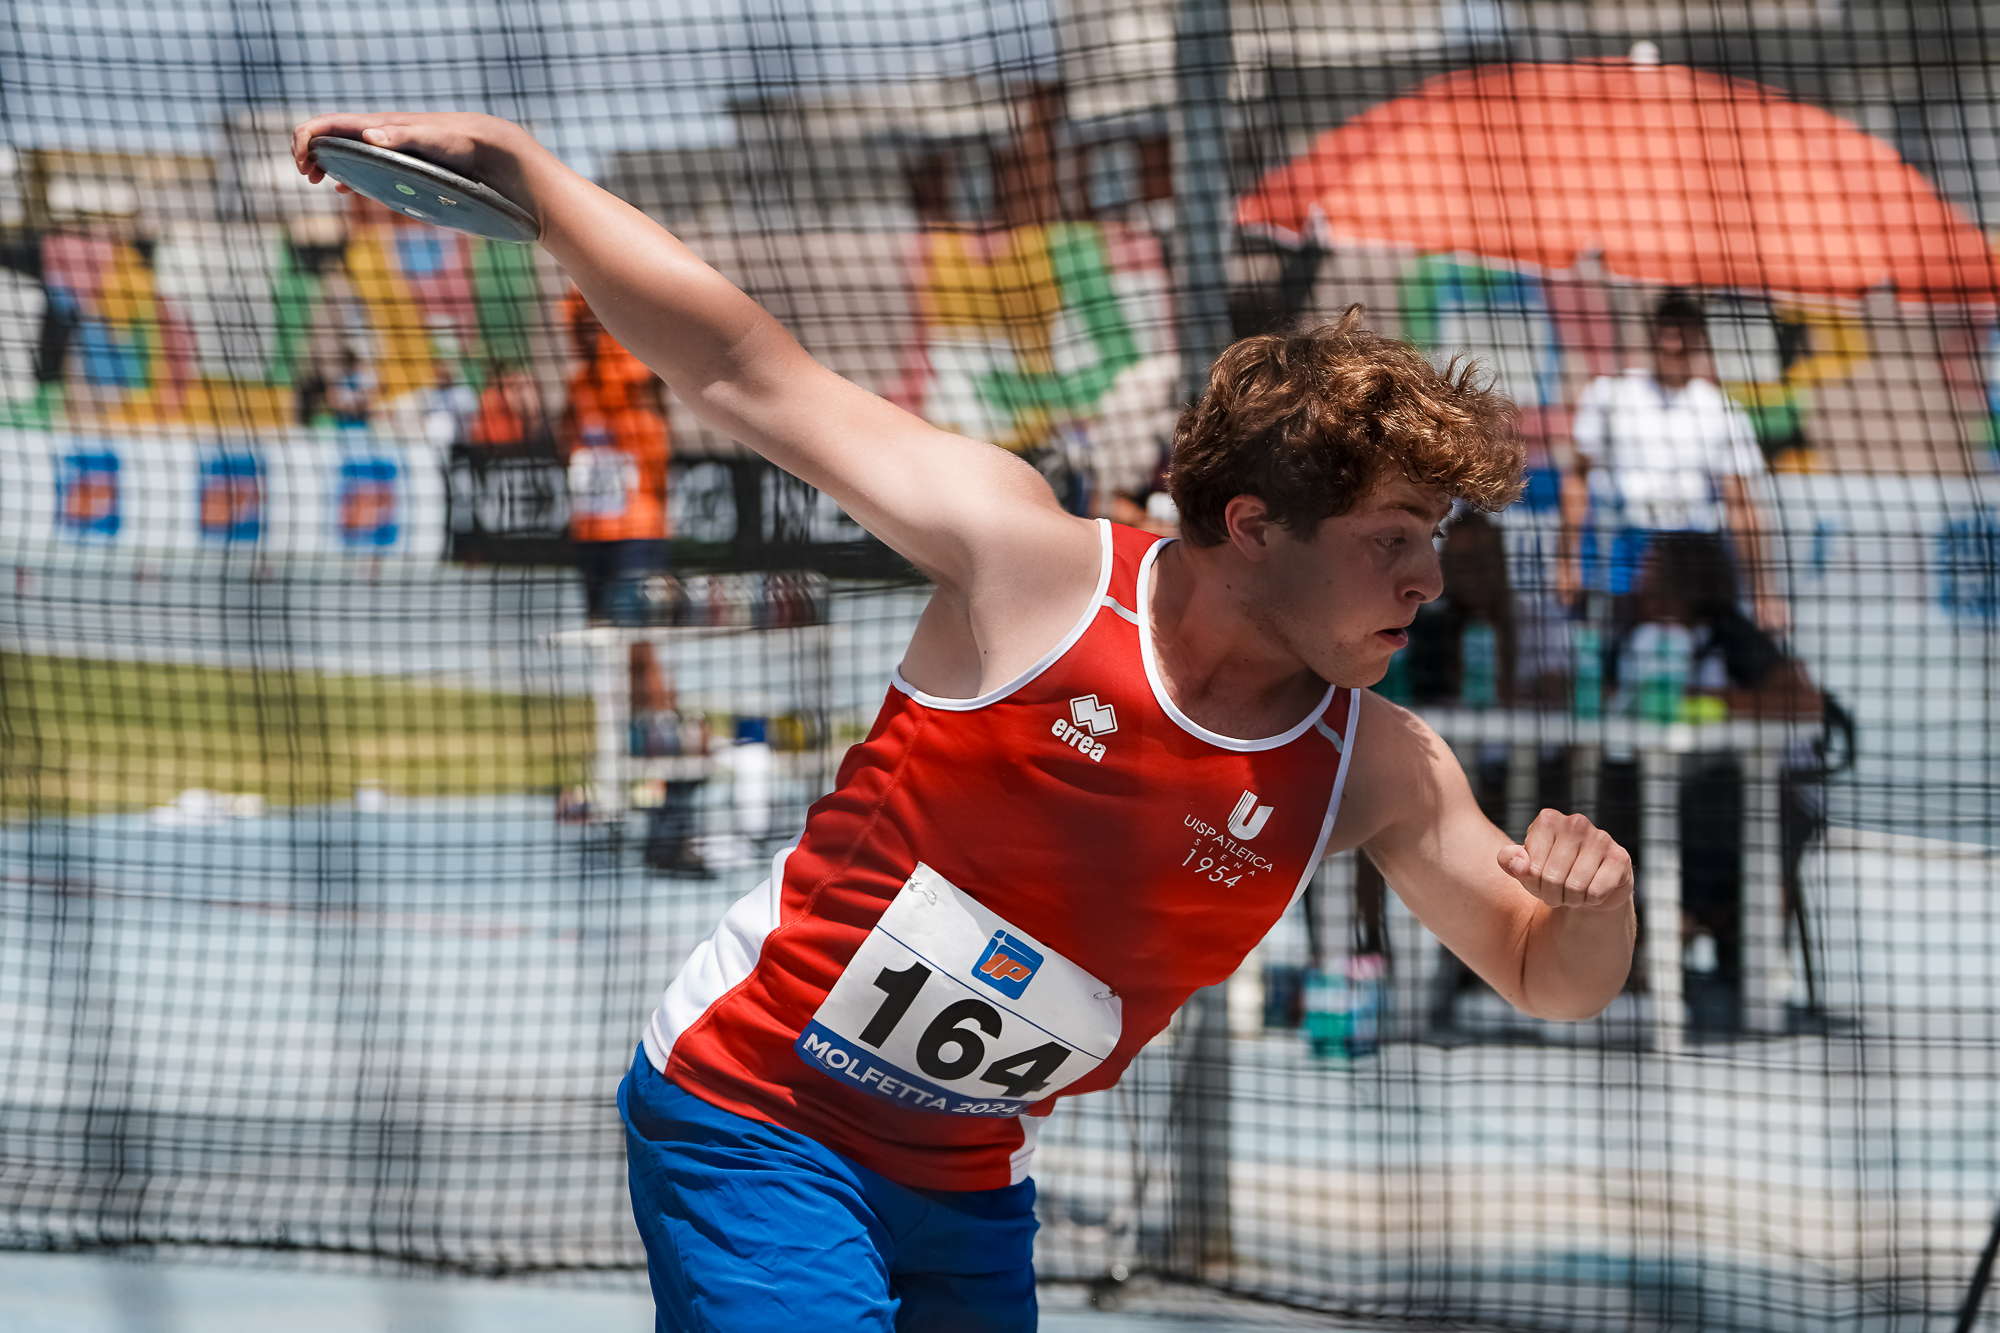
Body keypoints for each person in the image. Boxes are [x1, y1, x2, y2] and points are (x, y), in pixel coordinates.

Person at [294, 112, 1638, 1333]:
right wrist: (530, 175)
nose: (1427, 579)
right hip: (755, 1107)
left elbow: (1545, 974)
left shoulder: (1377, 764)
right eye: (1392, 536)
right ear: (1252, 525)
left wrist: (1594, 907)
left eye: (1436, 537)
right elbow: (743, 366)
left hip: (971, 1181)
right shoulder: (1032, 568)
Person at [554, 288, 705, 877]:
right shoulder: (580, 385)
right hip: (591, 535)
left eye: (586, 321)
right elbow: (568, 443)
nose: (578, 332)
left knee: (644, 659)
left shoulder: (632, 369)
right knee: (607, 660)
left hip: (636, 534)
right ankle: (619, 778)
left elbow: (655, 378)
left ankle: (672, 786)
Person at [1559, 289, 1785, 634]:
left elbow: (1741, 505)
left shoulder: (1722, 411)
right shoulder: (1609, 395)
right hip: (1620, 556)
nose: (1675, 344)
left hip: (1689, 563)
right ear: (1652, 335)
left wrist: (1763, 591)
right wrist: (1566, 560)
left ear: (1701, 339)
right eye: (1667, 331)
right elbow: (1577, 480)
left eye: (1685, 333)